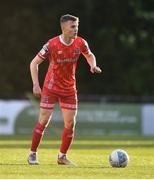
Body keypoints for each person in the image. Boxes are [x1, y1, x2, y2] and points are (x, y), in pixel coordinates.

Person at [28, 14, 102, 166]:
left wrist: (92, 65)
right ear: (64, 28)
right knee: (43, 120)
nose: (76, 29)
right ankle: (32, 154)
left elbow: (89, 55)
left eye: (77, 26)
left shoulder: (80, 42)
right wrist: (36, 84)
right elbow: (34, 63)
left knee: (70, 123)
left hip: (69, 89)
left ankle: (62, 157)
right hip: (51, 87)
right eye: (73, 27)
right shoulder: (52, 44)